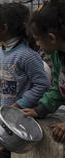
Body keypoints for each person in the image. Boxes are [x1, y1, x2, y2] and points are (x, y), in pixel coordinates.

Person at [0, 3, 50, 110]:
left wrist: (19, 105)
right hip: (6, 112)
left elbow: (42, 85)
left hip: (23, 115)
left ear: (4, 28)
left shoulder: (27, 56)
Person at [23, 1, 65, 143]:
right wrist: (40, 109)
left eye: (38, 40)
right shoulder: (57, 54)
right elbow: (59, 88)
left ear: (52, 38)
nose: (38, 45)